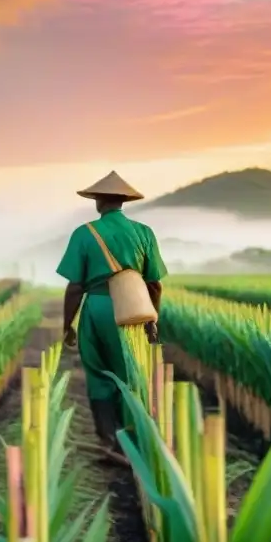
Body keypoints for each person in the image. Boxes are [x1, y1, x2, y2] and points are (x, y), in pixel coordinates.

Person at [55, 171, 167, 462]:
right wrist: (152, 320)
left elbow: (75, 286)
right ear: (122, 201)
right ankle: (134, 441)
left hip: (97, 308)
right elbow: (154, 283)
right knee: (130, 374)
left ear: (98, 201)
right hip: (132, 309)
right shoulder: (144, 233)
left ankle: (109, 441)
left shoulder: (84, 233)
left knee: (98, 375)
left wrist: (68, 324)